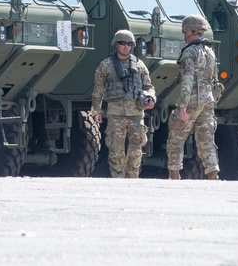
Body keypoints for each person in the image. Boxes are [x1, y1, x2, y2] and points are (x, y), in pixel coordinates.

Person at [91, 30, 156, 178]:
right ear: (116, 44)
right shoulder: (106, 65)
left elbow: (149, 87)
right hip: (116, 114)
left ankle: (132, 180)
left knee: (136, 152)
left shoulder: (140, 66)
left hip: (137, 114)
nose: (126, 47)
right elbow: (98, 90)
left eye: (129, 44)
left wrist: (151, 98)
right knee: (115, 152)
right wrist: (97, 110)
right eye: (122, 43)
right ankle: (117, 181)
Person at [167, 14, 221, 180]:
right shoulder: (210, 52)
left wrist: (182, 105)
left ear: (190, 31)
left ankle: (174, 174)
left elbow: (187, 79)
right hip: (208, 101)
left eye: (185, 31)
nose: (184, 34)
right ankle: (213, 173)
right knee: (206, 140)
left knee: (176, 137)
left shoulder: (189, 52)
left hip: (192, 100)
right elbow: (215, 80)